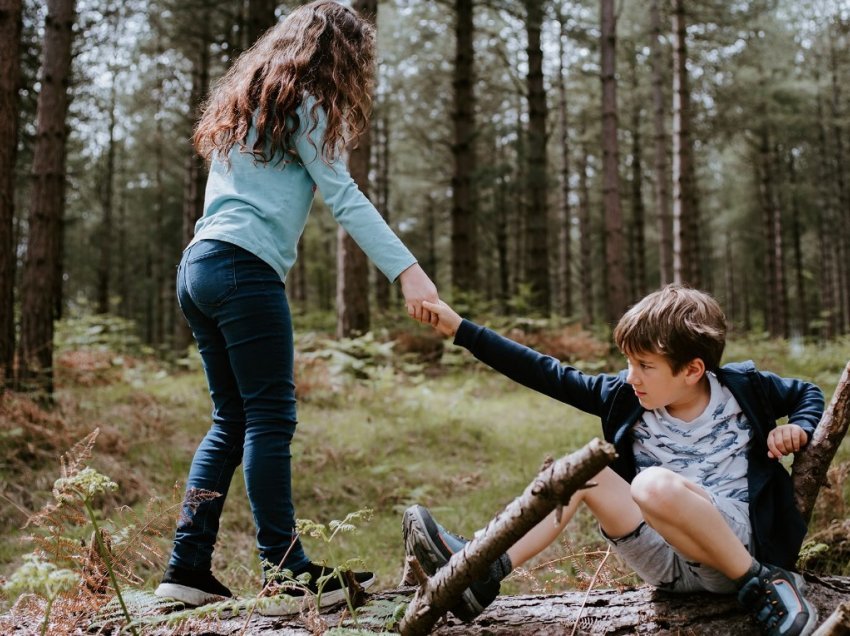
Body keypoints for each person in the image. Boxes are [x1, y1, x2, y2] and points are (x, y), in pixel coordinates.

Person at [154, 0, 438, 615]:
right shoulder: (306, 104)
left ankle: (186, 569)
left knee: (232, 419)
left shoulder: (247, 106)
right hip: (241, 269)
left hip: (197, 267)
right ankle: (286, 575)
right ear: (334, 56)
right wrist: (410, 274)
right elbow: (345, 197)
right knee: (269, 419)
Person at [404, 285, 823, 636]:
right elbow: (544, 372)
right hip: (664, 562)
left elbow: (808, 393)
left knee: (651, 485)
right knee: (582, 473)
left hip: (732, 550)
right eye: (628, 362)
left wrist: (797, 427)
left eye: (645, 365)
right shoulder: (626, 395)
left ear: (693, 369)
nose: (631, 376)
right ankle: (484, 566)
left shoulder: (744, 389)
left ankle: (764, 583)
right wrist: (460, 328)